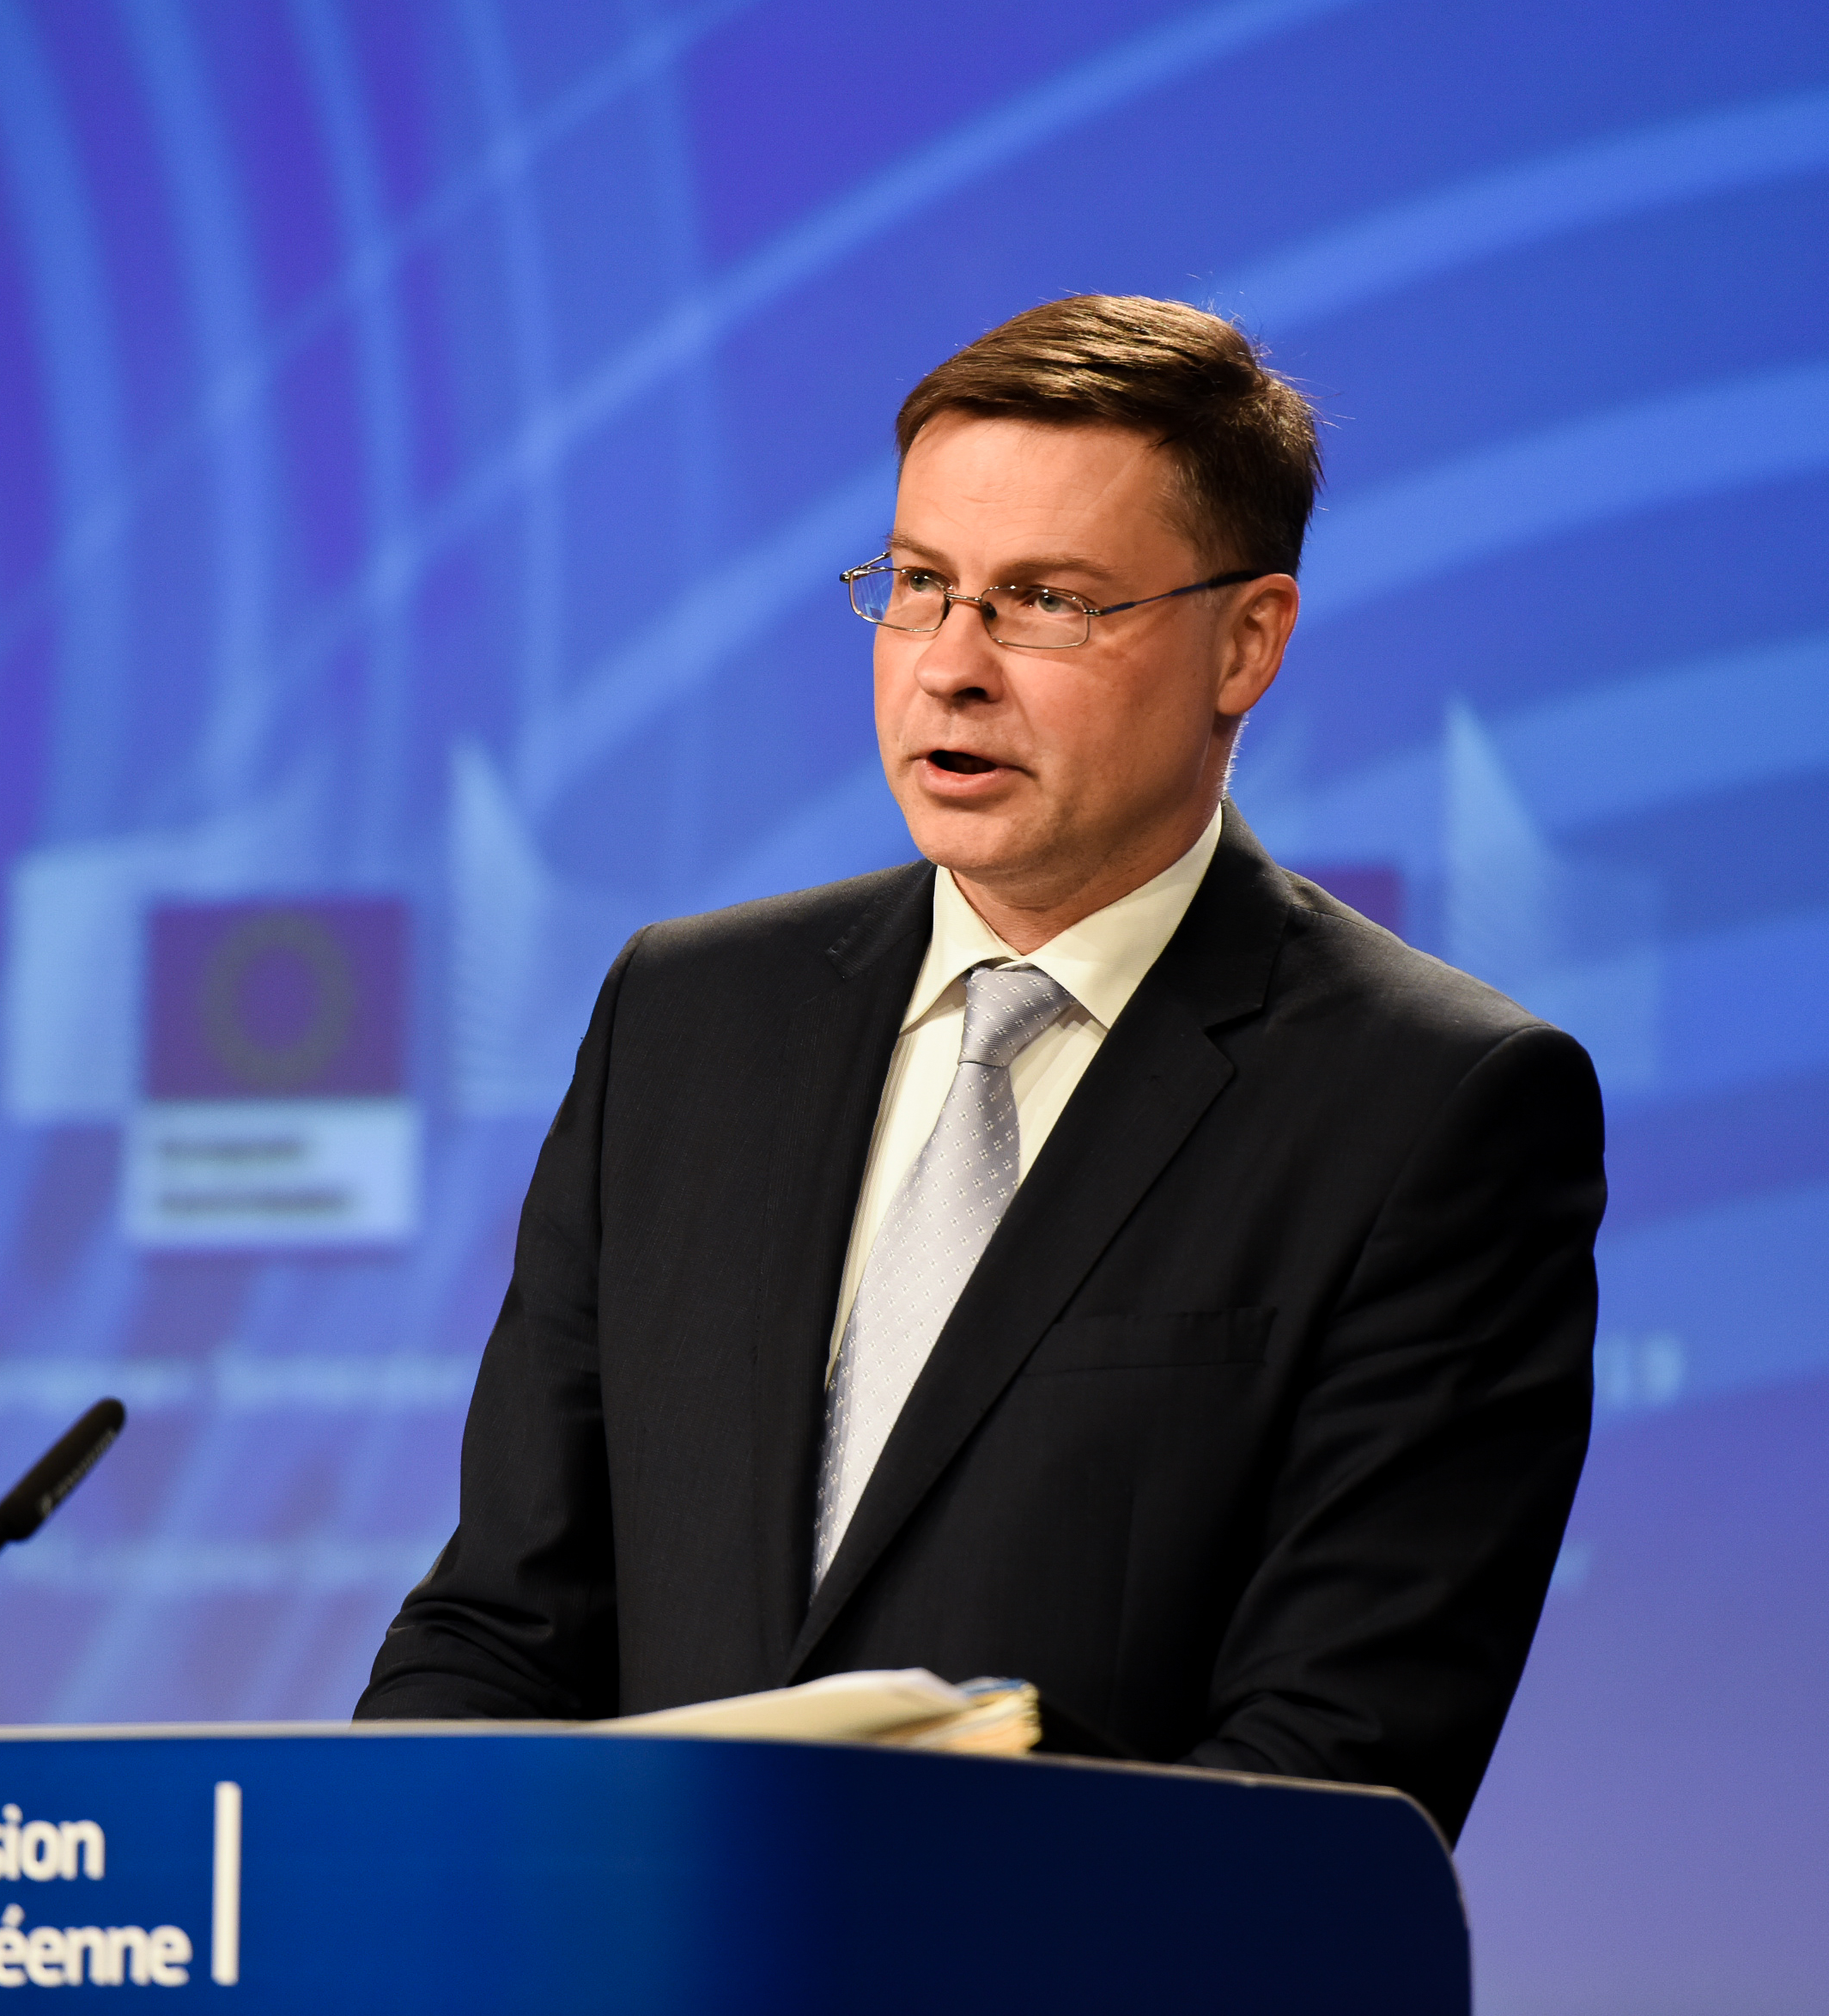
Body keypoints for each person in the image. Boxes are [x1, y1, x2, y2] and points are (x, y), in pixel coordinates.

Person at [355, 295, 1602, 1841]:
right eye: (918, 585)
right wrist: (381, 1877)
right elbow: (503, 1625)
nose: (948, 666)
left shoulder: (1432, 1107)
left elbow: (1331, 1769)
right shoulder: (682, 1019)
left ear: (1246, 642)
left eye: (1045, 603)